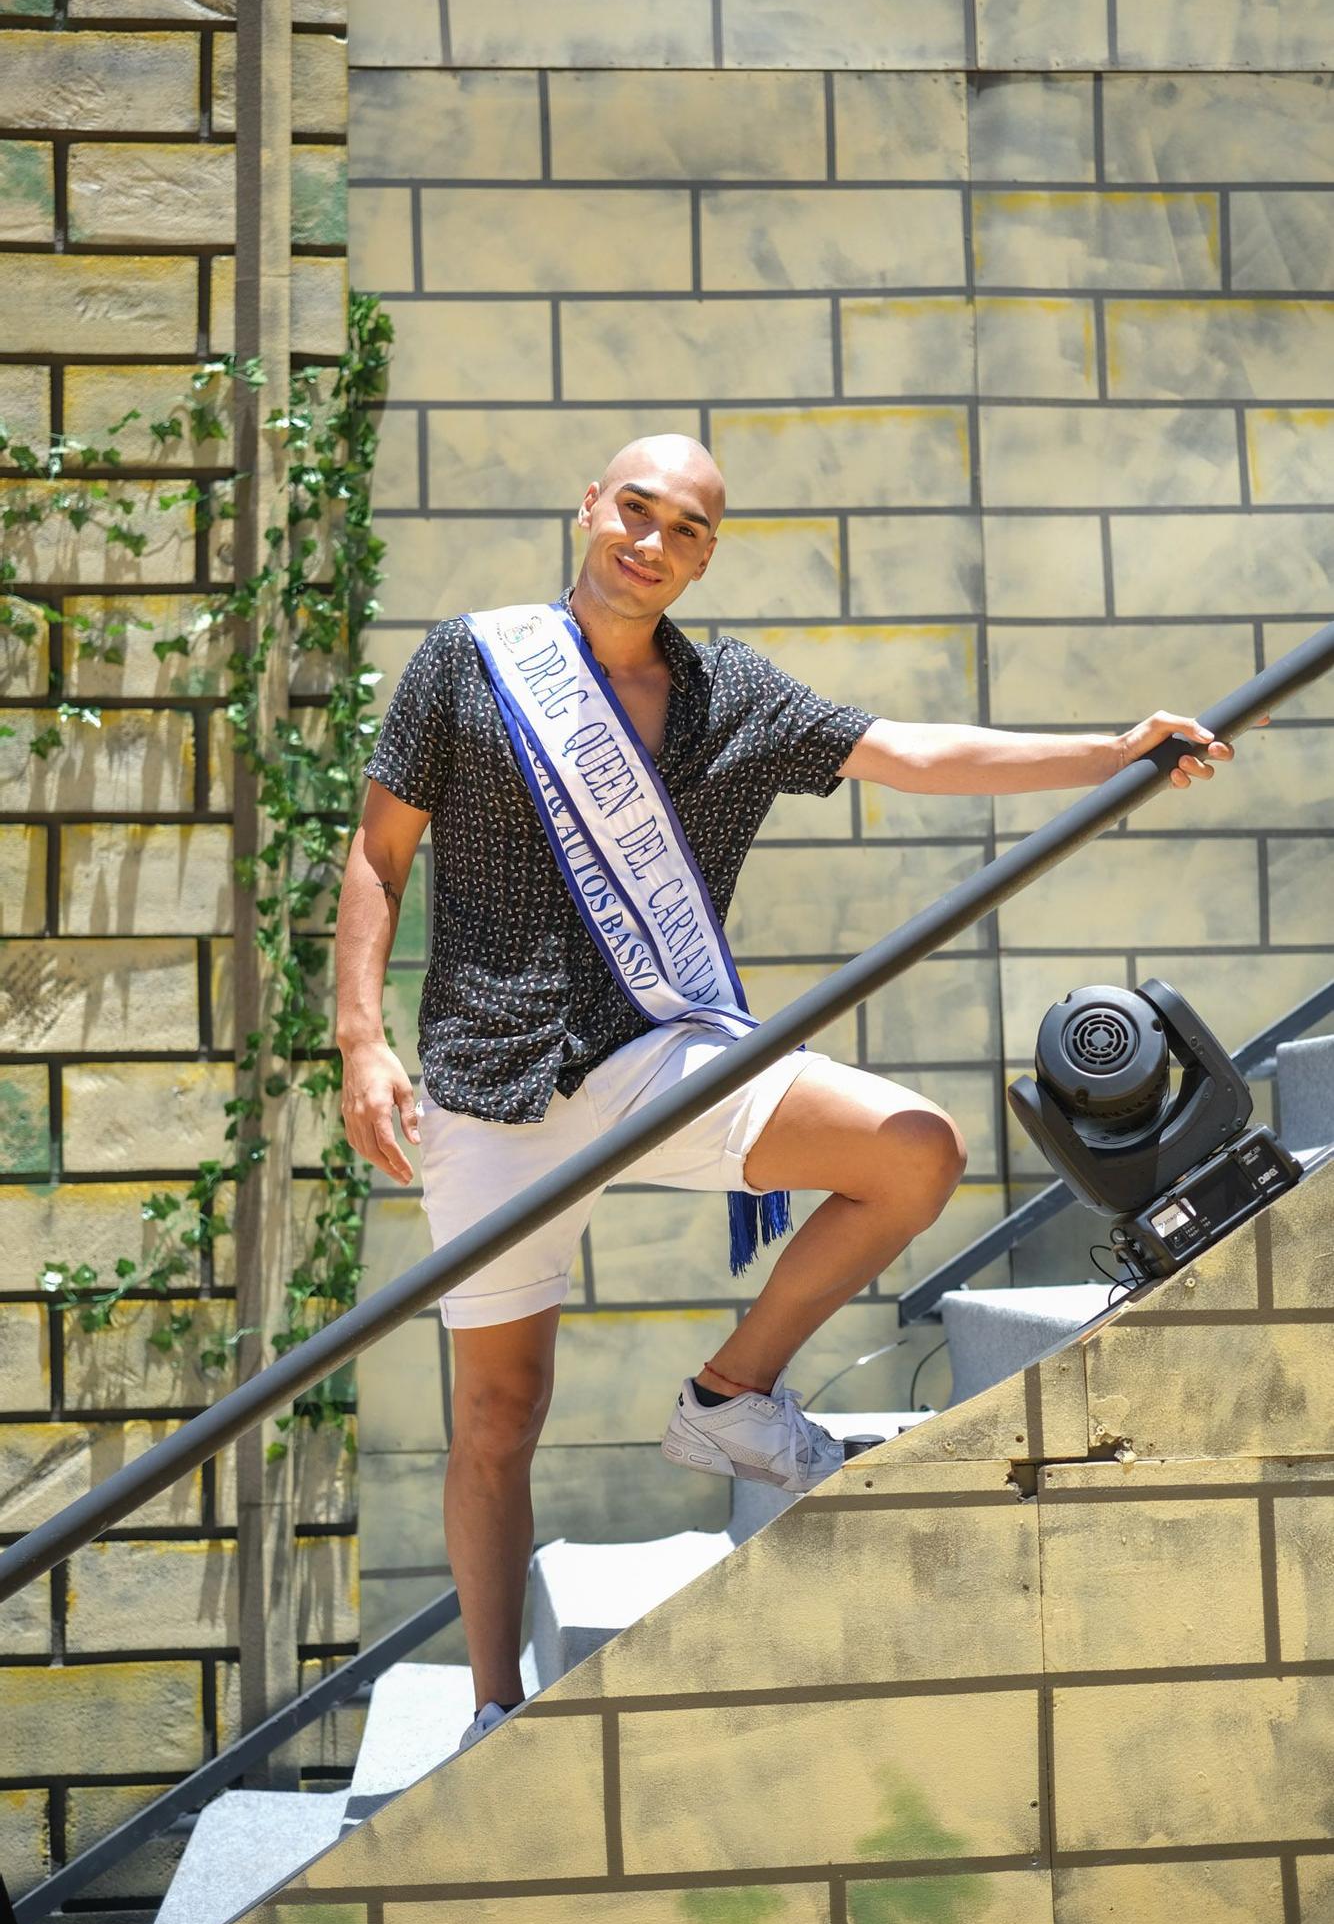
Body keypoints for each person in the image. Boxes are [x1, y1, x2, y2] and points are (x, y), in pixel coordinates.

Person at [335, 432, 1238, 1750]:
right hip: (486, 1068)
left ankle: (729, 1397)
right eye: (634, 510)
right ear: (589, 504)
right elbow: (377, 850)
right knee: (497, 1409)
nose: (650, 541)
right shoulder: (469, 661)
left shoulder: (733, 698)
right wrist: (362, 1037)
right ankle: (491, 1709)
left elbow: (915, 754)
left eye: (684, 528)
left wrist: (1112, 748)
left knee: (910, 1149)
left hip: (658, 1049)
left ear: (706, 556)